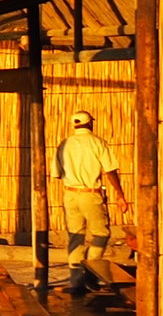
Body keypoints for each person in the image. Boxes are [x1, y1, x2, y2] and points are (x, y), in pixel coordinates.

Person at [51, 110, 130, 293]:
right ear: (90, 124)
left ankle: (76, 281)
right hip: (90, 194)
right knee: (101, 233)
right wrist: (120, 195)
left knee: (75, 236)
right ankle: (91, 272)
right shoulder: (97, 143)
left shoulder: (64, 144)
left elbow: (56, 173)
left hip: (70, 194)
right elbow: (110, 171)